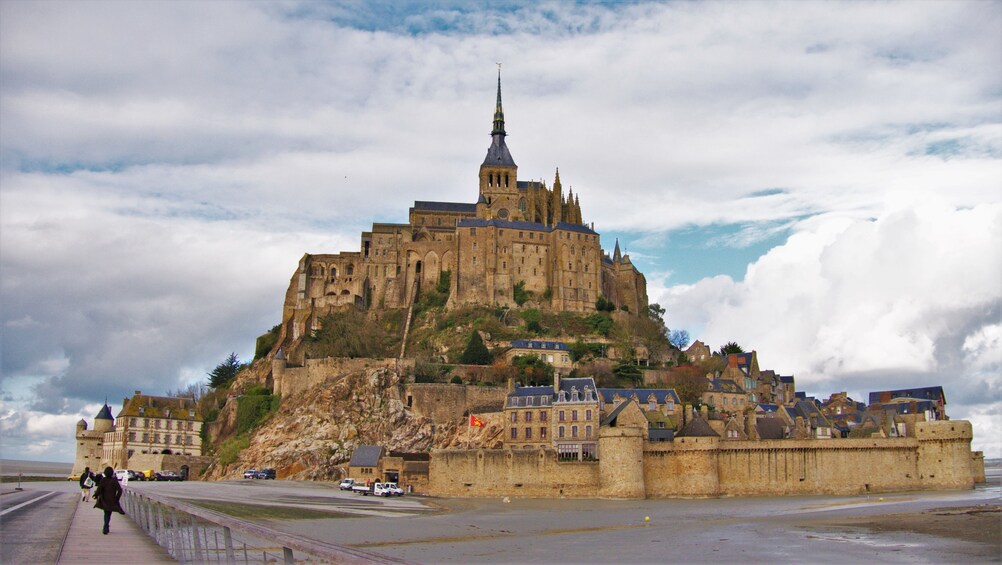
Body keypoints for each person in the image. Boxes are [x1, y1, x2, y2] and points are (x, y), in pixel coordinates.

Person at [93, 467, 125, 535]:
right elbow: (120, 490)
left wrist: (95, 495)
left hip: (104, 499)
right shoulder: (114, 480)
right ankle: (106, 526)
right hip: (112, 499)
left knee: (106, 513)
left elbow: (99, 489)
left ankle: (106, 526)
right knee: (108, 513)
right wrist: (117, 498)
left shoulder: (103, 480)